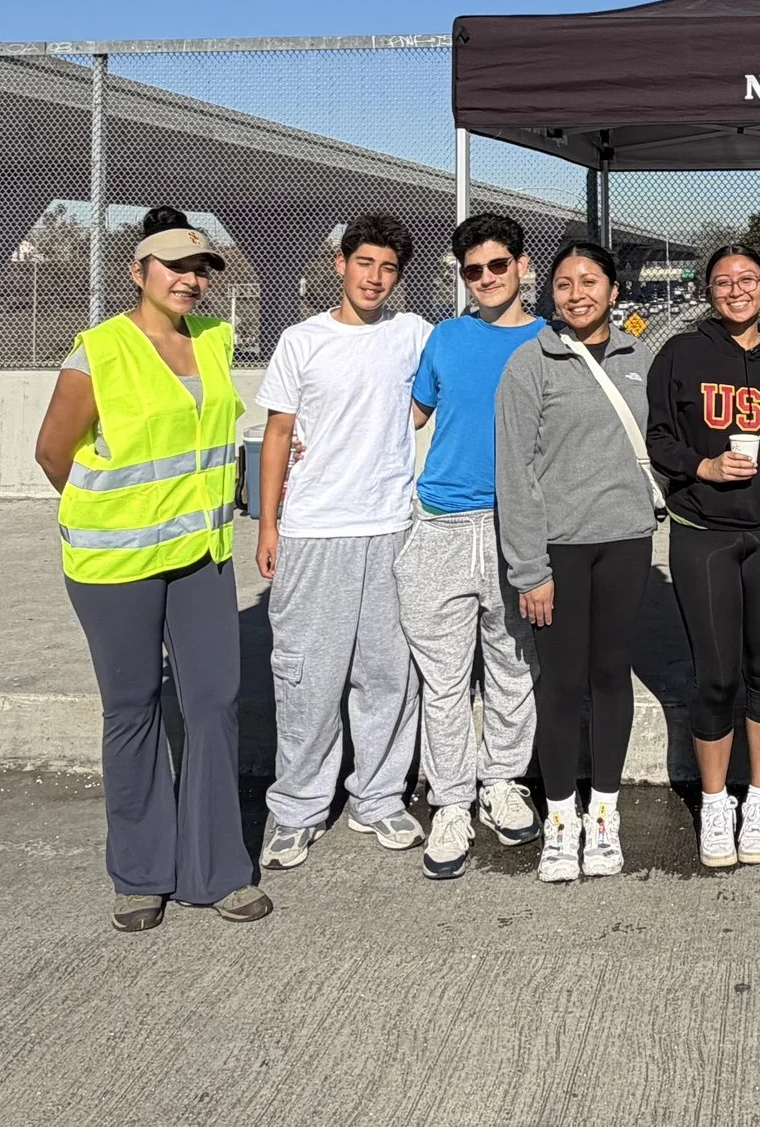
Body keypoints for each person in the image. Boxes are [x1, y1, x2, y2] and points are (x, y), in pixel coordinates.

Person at [33, 208, 270, 931]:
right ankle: (139, 873)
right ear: (138, 271)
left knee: (213, 701)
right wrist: (117, 514)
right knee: (133, 707)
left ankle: (217, 869)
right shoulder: (98, 352)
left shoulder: (214, 341)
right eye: (175, 266)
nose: (191, 280)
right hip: (116, 563)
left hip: (201, 555)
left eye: (200, 269)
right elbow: (53, 454)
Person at [253, 213, 429, 871]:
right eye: (365, 264)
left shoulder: (414, 334)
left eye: (388, 269)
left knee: (388, 674)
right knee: (308, 677)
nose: (375, 278)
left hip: (390, 528)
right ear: (340, 263)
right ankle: (296, 809)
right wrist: (270, 523)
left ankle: (379, 796)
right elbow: (277, 435)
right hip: (313, 532)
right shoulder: (303, 340)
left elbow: (436, 392)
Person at [496, 238, 660, 883]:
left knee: (609, 674)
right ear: (551, 294)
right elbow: (515, 473)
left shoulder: (639, 359)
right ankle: (561, 820)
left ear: (614, 292)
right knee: (563, 684)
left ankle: (605, 813)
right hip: (558, 551)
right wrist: (529, 569)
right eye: (564, 284)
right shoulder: (529, 364)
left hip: (625, 542)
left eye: (590, 281)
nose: (577, 293)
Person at [645, 244, 760, 870]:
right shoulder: (682, 353)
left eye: (747, 280)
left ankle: (758, 797)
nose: (735, 290)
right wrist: (702, 464)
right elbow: (658, 434)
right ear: (708, 291)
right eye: (722, 281)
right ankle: (716, 803)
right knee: (715, 675)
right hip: (702, 528)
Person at [402, 213, 546, 881]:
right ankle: (453, 799)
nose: (485, 278)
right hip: (440, 529)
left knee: (515, 667)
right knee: (444, 680)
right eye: (472, 270)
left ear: (521, 265)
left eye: (497, 265)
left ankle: (503, 782)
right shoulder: (446, 337)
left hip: (516, 528)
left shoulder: (551, 342)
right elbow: (407, 416)